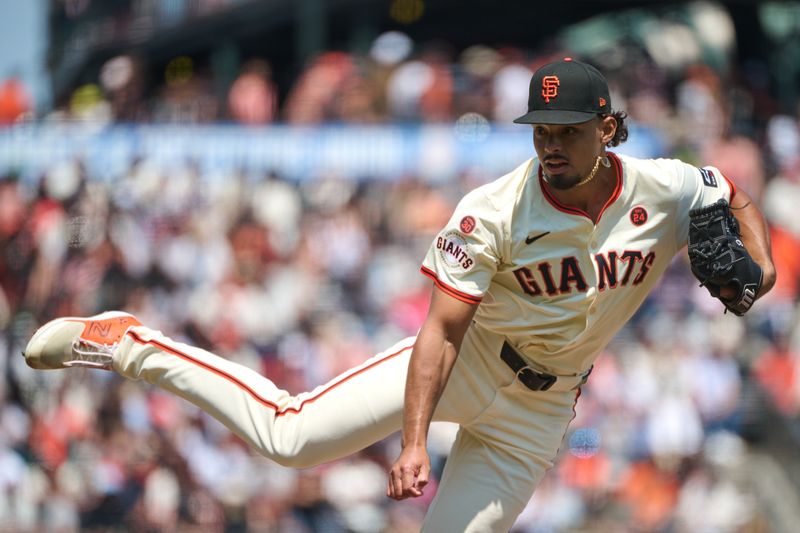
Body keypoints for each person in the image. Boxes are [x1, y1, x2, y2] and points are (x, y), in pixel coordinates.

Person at [24, 58, 776, 532]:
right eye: (538, 127)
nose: (548, 142)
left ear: (608, 127)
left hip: (544, 411)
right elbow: (441, 331)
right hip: (474, 357)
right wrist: (416, 441)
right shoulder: (494, 209)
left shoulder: (665, 185)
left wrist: (764, 267)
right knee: (290, 438)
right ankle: (127, 342)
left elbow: (729, 192)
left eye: (566, 129)